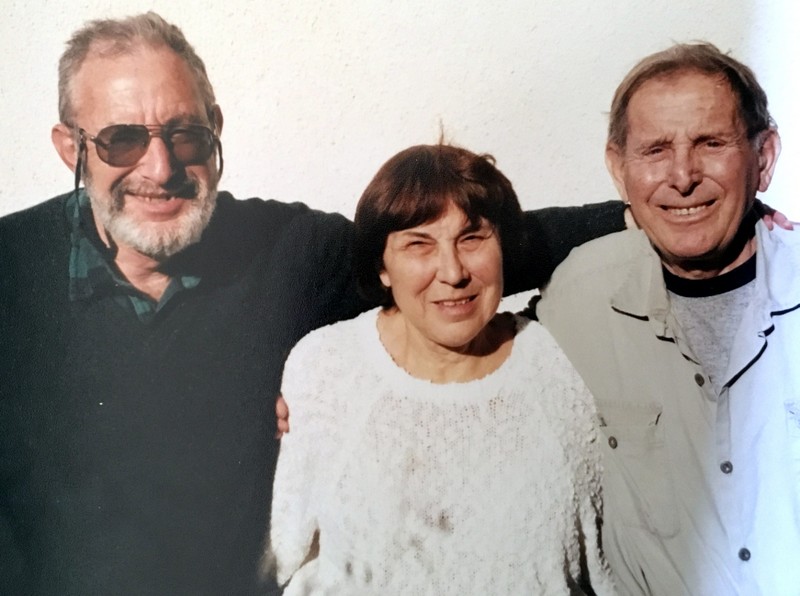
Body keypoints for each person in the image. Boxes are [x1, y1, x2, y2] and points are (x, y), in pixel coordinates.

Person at [0, 12, 627, 595]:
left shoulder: (285, 252)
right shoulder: (10, 270)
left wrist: (652, 214)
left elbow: (454, 253)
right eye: (122, 140)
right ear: (70, 147)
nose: (160, 168)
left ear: (215, 128)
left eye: (185, 134)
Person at [264, 144, 616, 595]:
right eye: (419, 244)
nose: (452, 272)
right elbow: (283, 553)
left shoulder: (560, 363)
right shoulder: (325, 366)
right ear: (382, 267)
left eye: (472, 239)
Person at [536, 42, 800, 595]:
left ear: (764, 157)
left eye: (711, 143)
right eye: (655, 150)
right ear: (619, 169)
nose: (682, 176)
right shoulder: (578, 298)